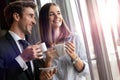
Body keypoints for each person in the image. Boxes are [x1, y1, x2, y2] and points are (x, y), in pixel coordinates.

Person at [39, 2, 90, 80]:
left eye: (59, 13)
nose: (57, 16)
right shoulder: (40, 48)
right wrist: (48, 61)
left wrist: (73, 56)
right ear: (44, 19)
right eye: (51, 14)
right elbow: (43, 78)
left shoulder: (74, 38)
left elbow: (86, 71)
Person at [0, 1, 44, 80]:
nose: (34, 22)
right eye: (31, 16)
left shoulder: (29, 45)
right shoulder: (1, 46)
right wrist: (22, 58)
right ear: (17, 16)